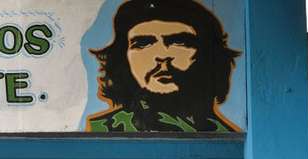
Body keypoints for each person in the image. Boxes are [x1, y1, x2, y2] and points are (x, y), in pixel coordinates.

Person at [86, 0, 241, 132]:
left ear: (208, 57)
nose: (161, 54)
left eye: (179, 42)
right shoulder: (101, 130)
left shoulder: (227, 136)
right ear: (123, 58)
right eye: (142, 43)